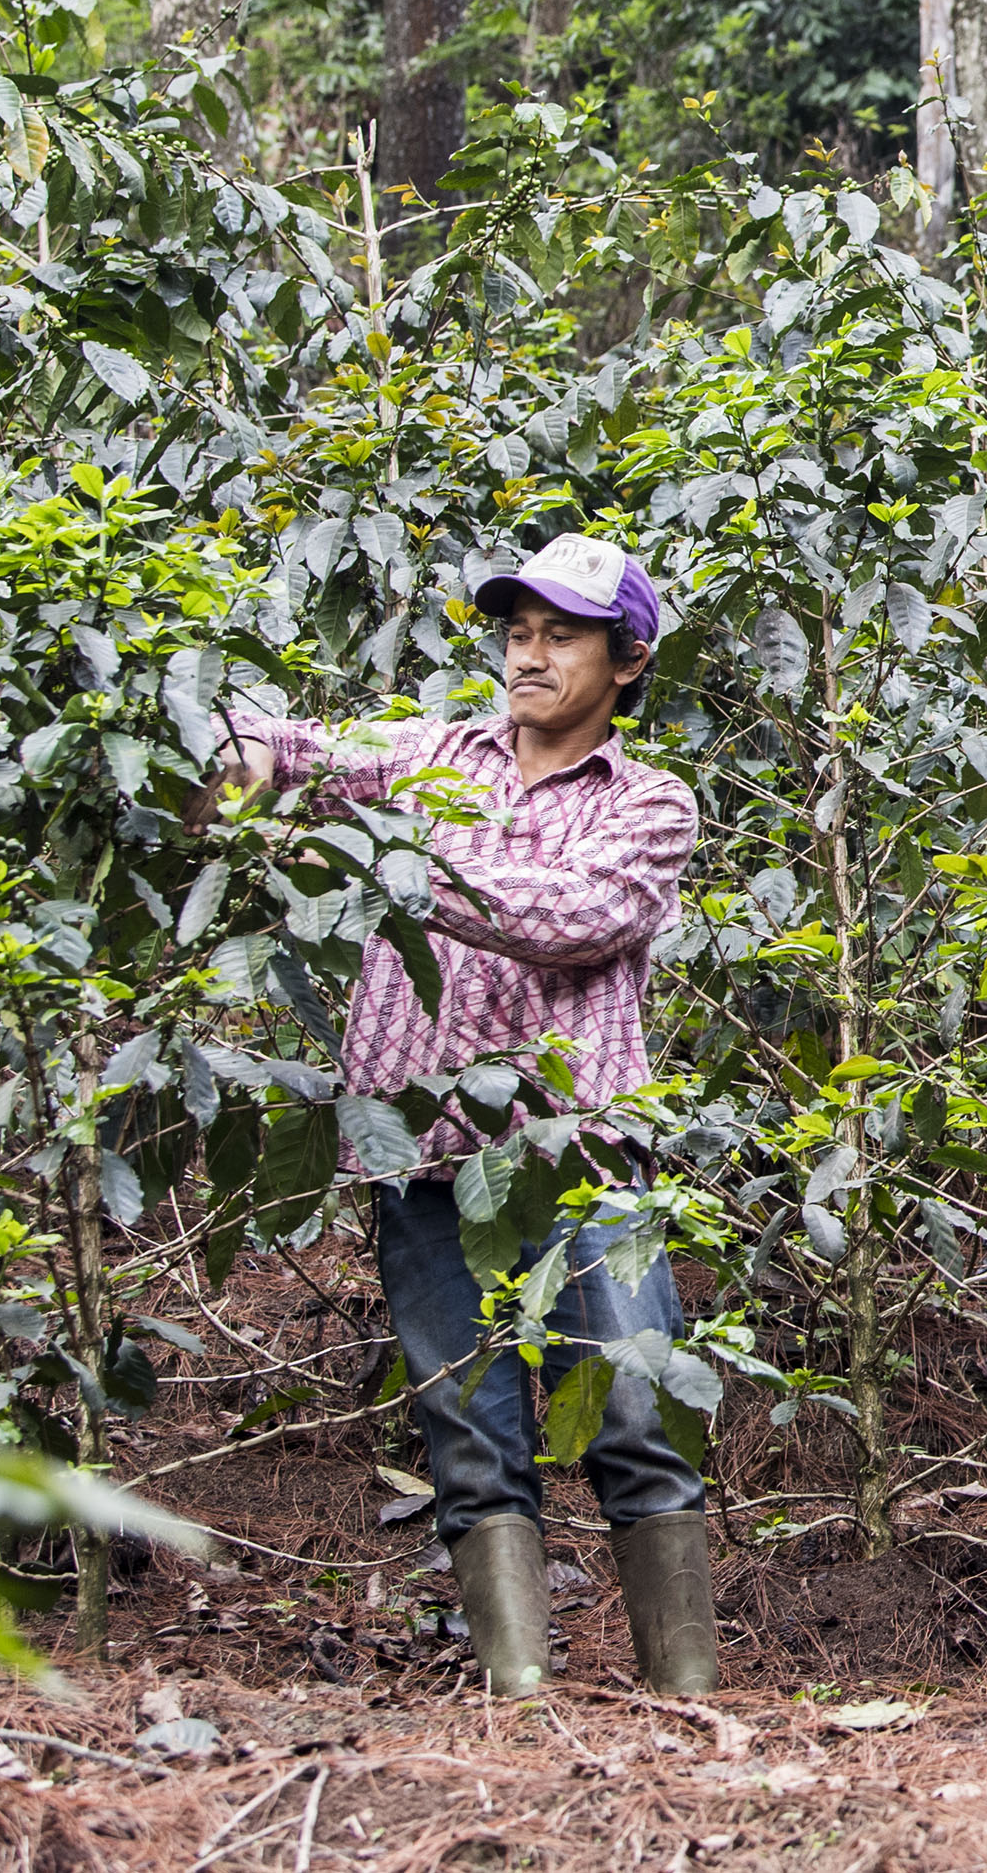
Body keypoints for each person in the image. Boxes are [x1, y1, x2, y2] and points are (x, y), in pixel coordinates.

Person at [223, 534, 712, 1699]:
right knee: (470, 1440)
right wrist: (201, 735)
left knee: (635, 1415)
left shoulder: (649, 803)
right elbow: (300, 752)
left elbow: (574, 915)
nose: (529, 657)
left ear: (629, 659)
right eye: (517, 634)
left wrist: (398, 860)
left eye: (562, 636)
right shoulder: (435, 753)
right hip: (427, 1163)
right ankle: (520, 1703)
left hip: (580, 1162)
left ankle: (687, 1704)